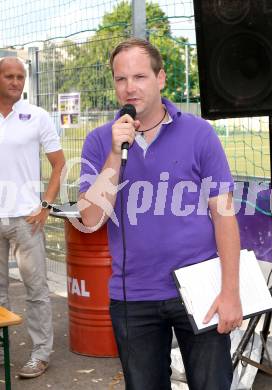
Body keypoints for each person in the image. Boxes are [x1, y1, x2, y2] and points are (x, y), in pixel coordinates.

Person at [79, 38, 242, 390]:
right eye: (121, 79)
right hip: (133, 295)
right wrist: (113, 154)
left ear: (161, 78)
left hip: (201, 291)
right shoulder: (99, 141)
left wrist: (231, 292)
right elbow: (91, 220)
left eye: (139, 76)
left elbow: (224, 214)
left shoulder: (200, 133)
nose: (129, 87)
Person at [0, 57, 65, 378]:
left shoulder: (37, 116)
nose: (16, 82)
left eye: (20, 77)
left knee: (36, 290)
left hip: (27, 219)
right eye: (9, 76)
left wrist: (46, 205)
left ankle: (40, 354)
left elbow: (59, 164)